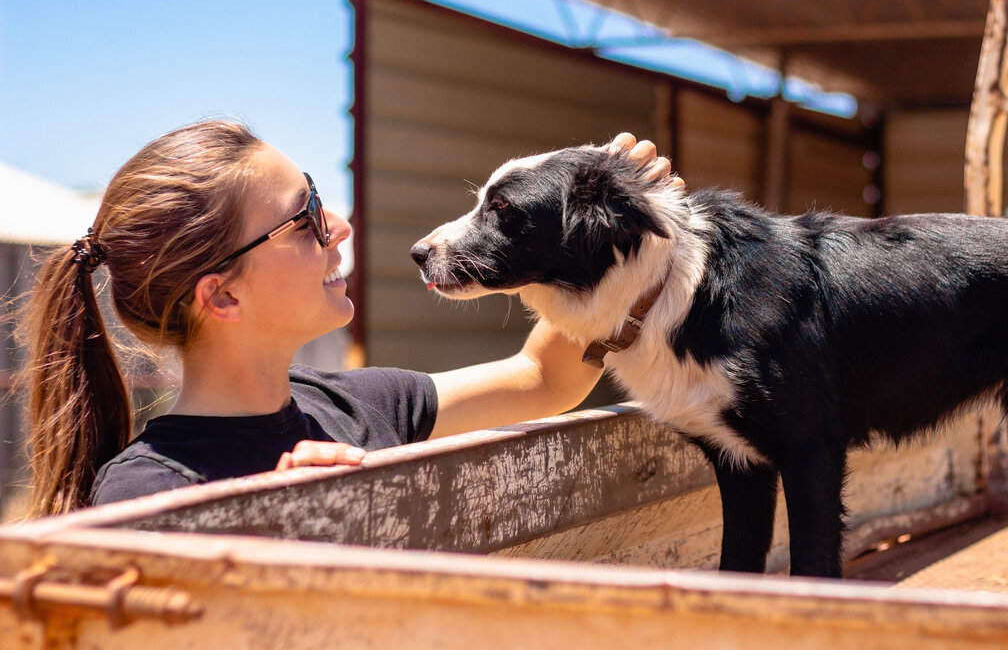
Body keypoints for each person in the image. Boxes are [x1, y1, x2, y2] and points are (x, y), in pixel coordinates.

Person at [15, 120, 680, 517]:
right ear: (222, 298)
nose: (338, 225)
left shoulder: (356, 404)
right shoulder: (145, 492)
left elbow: (542, 377)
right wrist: (274, 529)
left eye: (320, 198)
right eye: (303, 218)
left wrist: (615, 251)